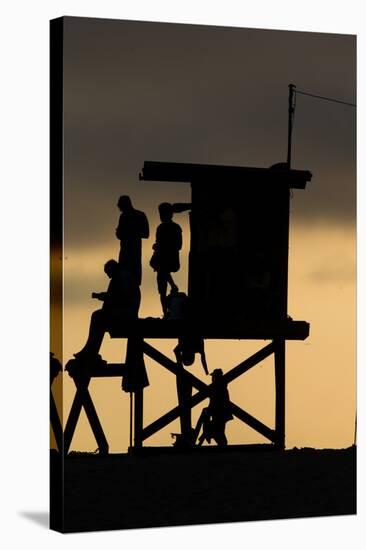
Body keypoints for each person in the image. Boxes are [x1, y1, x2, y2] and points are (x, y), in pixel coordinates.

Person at [75, 259, 140, 359]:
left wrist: (104, 297)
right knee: (98, 317)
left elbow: (121, 297)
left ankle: (91, 351)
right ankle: (90, 350)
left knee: (97, 317)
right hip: (123, 311)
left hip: (126, 314)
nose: (108, 275)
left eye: (107, 272)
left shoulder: (122, 276)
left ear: (112, 269)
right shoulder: (119, 277)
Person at [150, 202, 182, 316]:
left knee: (162, 288)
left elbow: (178, 245)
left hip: (167, 260)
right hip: (165, 260)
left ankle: (165, 311)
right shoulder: (168, 227)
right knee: (162, 286)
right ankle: (165, 311)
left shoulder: (170, 228)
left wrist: (161, 247)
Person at [116, 195, 149, 286]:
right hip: (130, 253)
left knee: (130, 280)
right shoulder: (137, 215)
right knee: (127, 280)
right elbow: (119, 234)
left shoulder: (134, 215)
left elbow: (146, 234)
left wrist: (129, 232)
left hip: (132, 253)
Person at [198, 369, 233, 446]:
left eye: (213, 377)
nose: (212, 379)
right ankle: (207, 437)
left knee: (218, 431)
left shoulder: (218, 388)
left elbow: (215, 402)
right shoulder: (221, 387)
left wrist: (209, 410)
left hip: (219, 414)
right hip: (221, 414)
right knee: (218, 431)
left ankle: (207, 437)